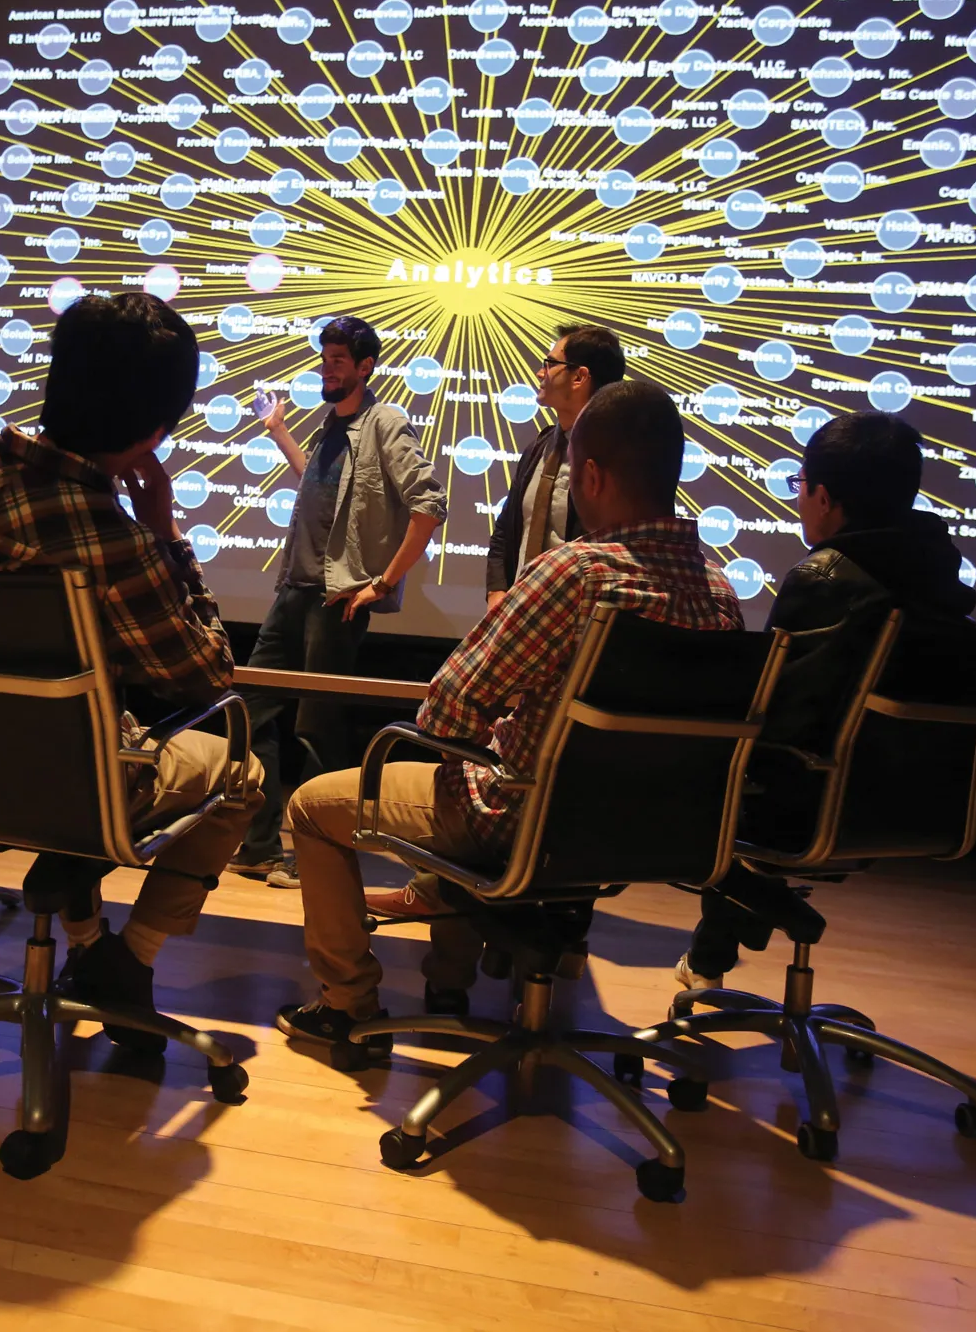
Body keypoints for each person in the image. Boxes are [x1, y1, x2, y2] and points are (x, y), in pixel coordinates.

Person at [273, 380, 745, 1046]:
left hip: (526, 818)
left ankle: (348, 1001)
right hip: (650, 828)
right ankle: (447, 978)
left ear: (589, 473)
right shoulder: (721, 593)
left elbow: (447, 705)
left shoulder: (574, 573)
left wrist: (493, 730)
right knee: (467, 777)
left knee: (318, 807)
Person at [0, 292, 265, 1048]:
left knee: (88, 730)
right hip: (66, 782)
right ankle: (127, 958)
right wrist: (168, 536)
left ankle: (83, 939)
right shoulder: (119, 544)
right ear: (155, 432)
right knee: (236, 769)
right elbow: (207, 674)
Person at [677, 410, 976, 988]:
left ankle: (727, 930)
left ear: (824, 495)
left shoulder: (826, 577)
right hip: (910, 802)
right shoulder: (942, 582)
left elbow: (776, 714)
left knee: (710, 764)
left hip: (808, 800)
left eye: (799, 487)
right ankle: (717, 948)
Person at [227, 315, 447, 890]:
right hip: (292, 589)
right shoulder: (330, 427)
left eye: (338, 362)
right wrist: (279, 432)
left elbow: (429, 504)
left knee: (316, 728)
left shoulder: (386, 423)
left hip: (336, 597)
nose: (327, 370)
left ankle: (314, 854)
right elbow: (317, 487)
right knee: (250, 713)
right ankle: (258, 845)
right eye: (324, 360)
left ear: (365, 367)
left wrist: (382, 583)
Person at [483, 324, 624, 616]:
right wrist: (497, 592)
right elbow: (506, 530)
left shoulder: (616, 455)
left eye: (549, 364)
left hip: (575, 621)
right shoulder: (541, 444)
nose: (540, 373)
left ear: (579, 376)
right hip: (518, 614)